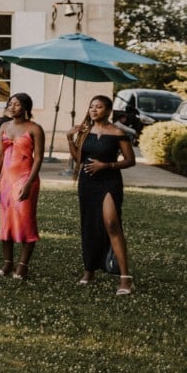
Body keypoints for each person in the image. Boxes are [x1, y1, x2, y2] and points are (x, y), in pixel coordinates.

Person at [67, 95, 136, 294]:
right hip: (87, 182)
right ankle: (89, 269)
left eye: (98, 107)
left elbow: (130, 160)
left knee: (112, 224)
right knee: (89, 224)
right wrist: (69, 138)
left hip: (109, 182)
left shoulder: (117, 132)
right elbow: (78, 159)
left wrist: (106, 165)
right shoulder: (85, 131)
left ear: (108, 111)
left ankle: (125, 277)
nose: (94, 110)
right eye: (91, 107)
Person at [0, 93, 45, 280]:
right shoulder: (4, 126)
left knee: (25, 220)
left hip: (25, 179)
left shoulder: (35, 129)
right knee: (6, 222)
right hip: (6, 180)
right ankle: (7, 262)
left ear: (26, 108)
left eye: (17, 104)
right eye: (10, 104)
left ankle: (23, 265)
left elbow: (38, 158)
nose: (12, 107)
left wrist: (29, 182)